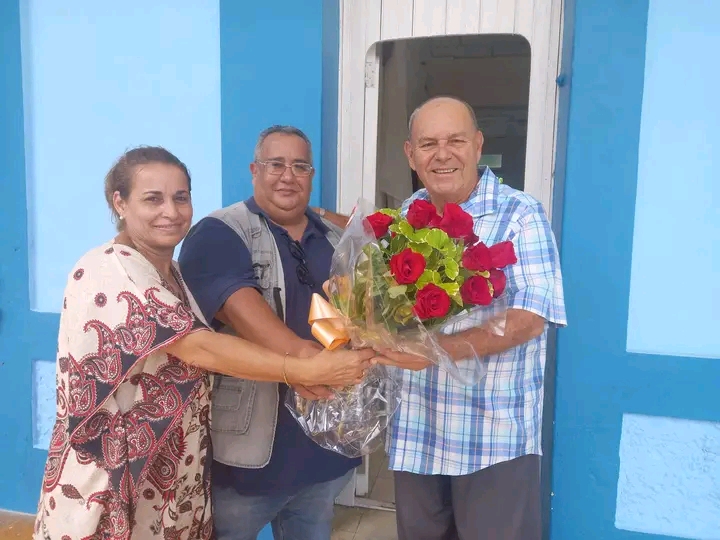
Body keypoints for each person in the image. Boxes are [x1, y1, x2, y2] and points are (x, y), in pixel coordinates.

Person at [33, 146, 376, 540]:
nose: (171, 211)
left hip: (173, 481)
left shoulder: (172, 274)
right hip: (114, 482)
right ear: (119, 203)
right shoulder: (109, 269)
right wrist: (300, 368)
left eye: (181, 197)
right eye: (152, 199)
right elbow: (198, 346)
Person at [177, 125, 363, 540]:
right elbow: (238, 305)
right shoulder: (221, 230)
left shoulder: (335, 237)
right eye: (275, 164)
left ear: (312, 175)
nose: (287, 175)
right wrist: (303, 360)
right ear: (254, 170)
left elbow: (363, 313)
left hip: (322, 451)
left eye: (300, 166)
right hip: (247, 456)